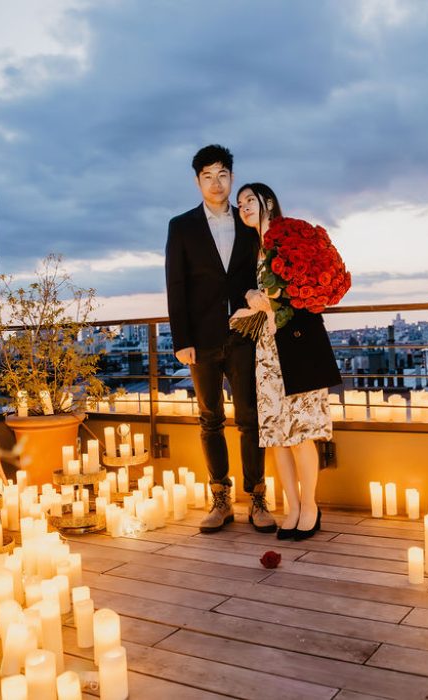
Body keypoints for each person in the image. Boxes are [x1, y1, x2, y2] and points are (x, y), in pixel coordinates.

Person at [165, 145, 276, 534]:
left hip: (245, 334)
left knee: (251, 419)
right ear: (197, 181)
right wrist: (181, 340)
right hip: (201, 339)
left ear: (231, 177)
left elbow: (257, 275)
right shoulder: (181, 226)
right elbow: (176, 285)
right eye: (208, 176)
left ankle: (257, 498)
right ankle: (221, 499)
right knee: (210, 419)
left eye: (223, 174)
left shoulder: (247, 222)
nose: (217, 183)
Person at [236, 183, 342, 540]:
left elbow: (297, 289)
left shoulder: (286, 238)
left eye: (249, 200)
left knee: (301, 434)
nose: (244, 207)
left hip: (297, 346)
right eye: (239, 204)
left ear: (267, 202)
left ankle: (310, 506)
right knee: (276, 436)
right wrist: (256, 298)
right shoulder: (257, 248)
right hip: (267, 350)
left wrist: (267, 295)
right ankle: (292, 507)